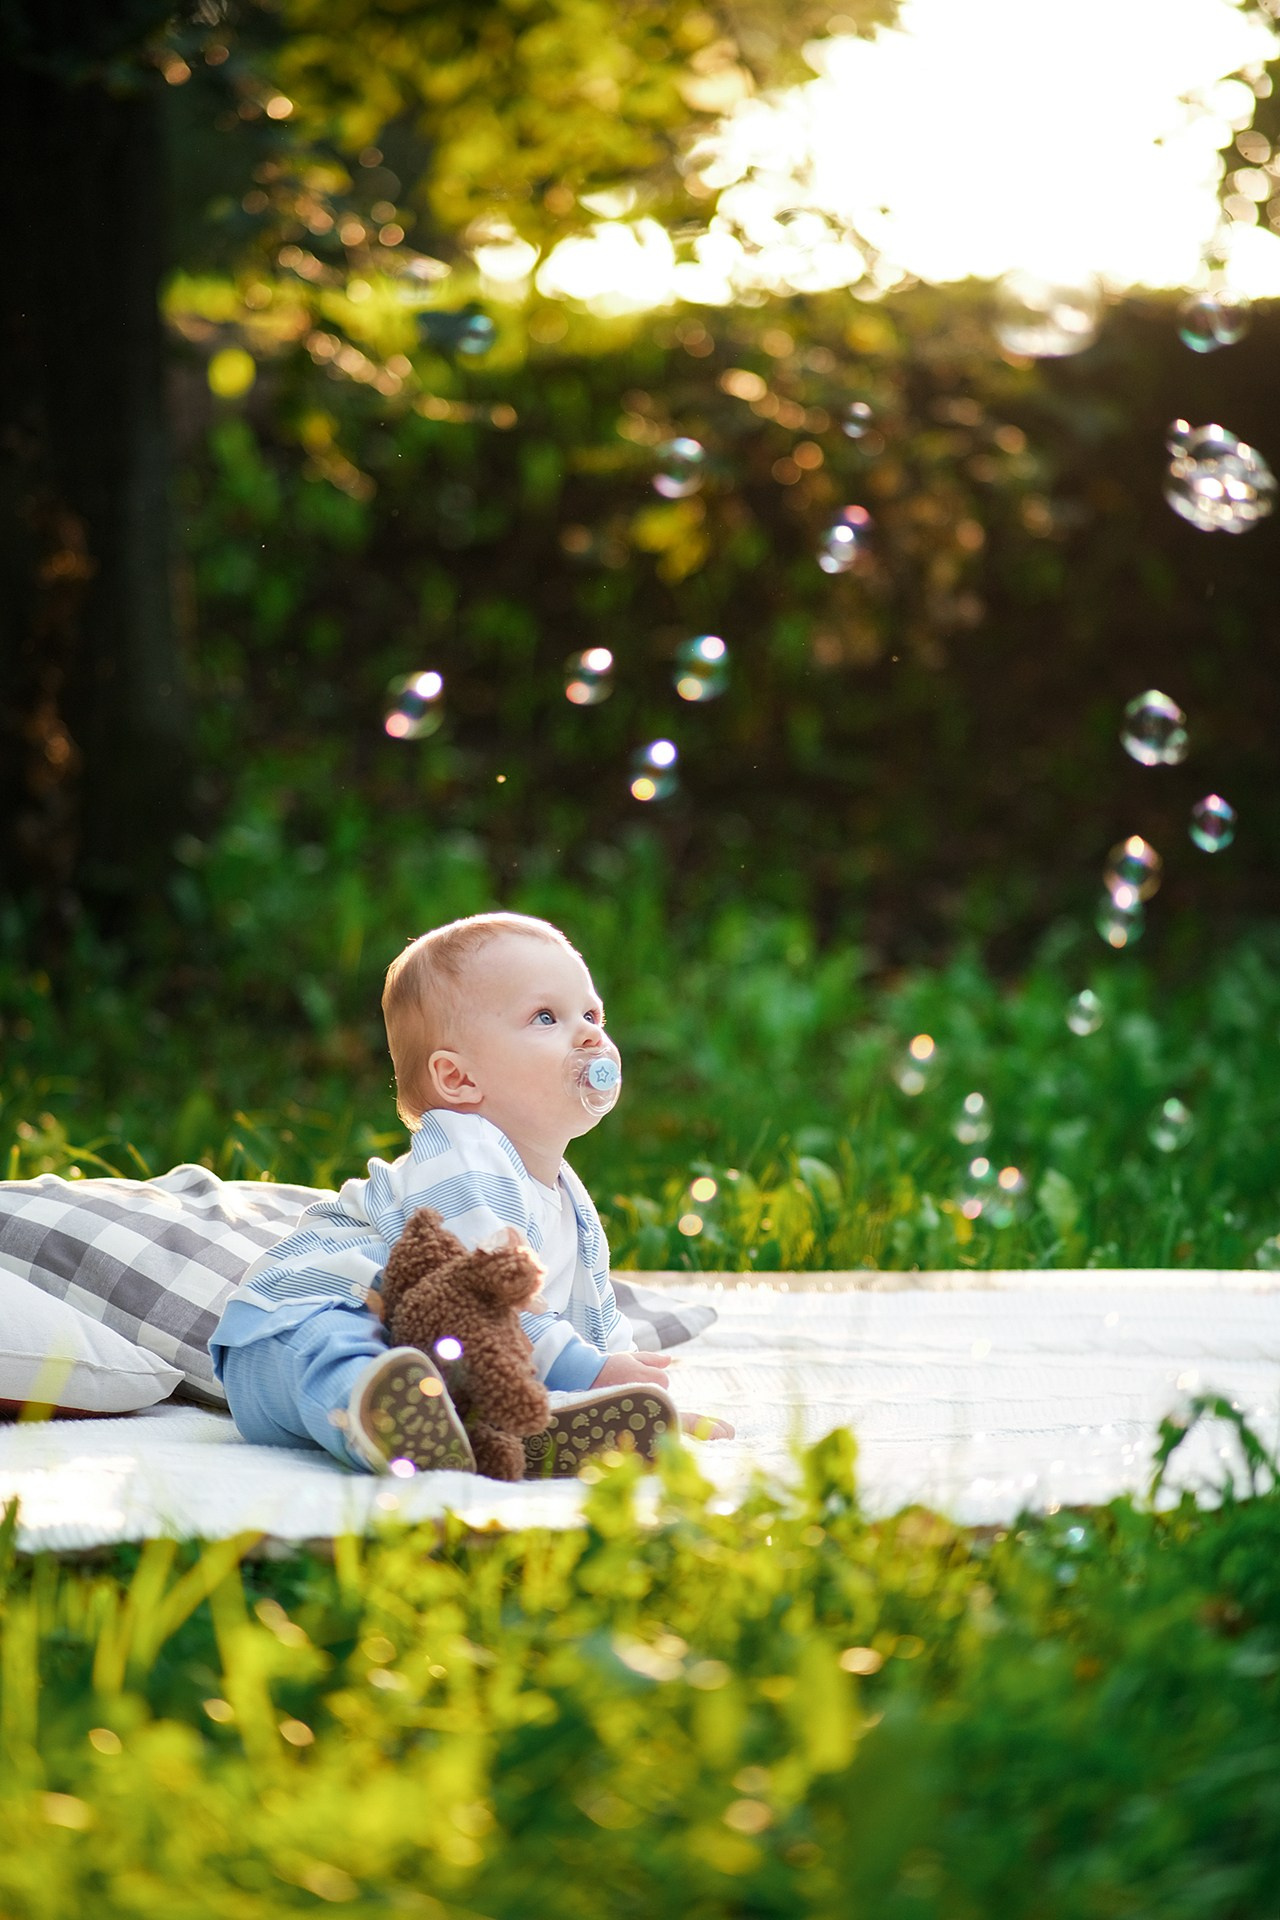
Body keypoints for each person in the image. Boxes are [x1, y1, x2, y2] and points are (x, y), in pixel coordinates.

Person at [210, 911, 733, 1476]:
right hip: (295, 1320)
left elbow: (590, 1323)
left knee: (462, 1377)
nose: (589, 1035)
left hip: (428, 1350)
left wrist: (628, 1389)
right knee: (337, 1350)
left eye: (591, 1013)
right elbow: (485, 1288)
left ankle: (513, 1426)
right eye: (545, 1017)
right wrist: (586, 1369)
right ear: (458, 1079)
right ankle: (385, 1414)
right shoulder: (463, 1151)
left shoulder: (570, 1201)